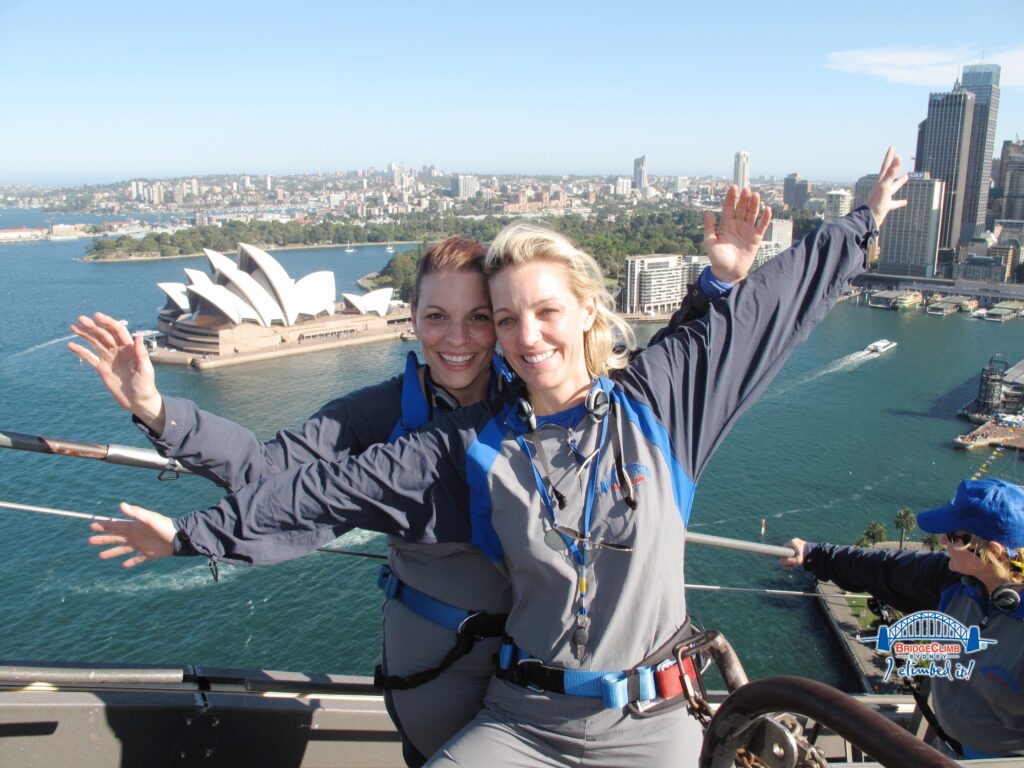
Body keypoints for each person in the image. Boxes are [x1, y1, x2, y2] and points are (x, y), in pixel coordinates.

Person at [88, 147, 906, 766]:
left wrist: (860, 222)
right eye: (506, 319)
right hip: (520, 718)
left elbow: (768, 308)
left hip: (651, 724)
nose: (521, 335)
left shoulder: (659, 407)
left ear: (589, 309)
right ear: (413, 321)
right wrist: (193, 530)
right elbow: (310, 492)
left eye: (527, 314)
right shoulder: (464, 449)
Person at [71, 237, 732, 766]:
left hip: (535, 686)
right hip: (436, 682)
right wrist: (159, 413)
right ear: (410, 320)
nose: (458, 338)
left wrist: (718, 284)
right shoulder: (383, 412)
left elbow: (657, 383)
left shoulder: (540, 393)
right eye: (436, 317)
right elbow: (270, 473)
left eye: (481, 318)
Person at [779, 477, 1024, 759]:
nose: (942, 540)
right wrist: (814, 554)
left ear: (992, 552)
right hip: (946, 749)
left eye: (954, 537)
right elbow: (884, 569)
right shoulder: (954, 579)